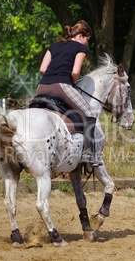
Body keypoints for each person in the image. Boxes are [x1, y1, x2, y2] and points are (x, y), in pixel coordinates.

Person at [37, 20, 102, 167]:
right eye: (87, 39)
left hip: (41, 87)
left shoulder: (54, 46)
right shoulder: (80, 48)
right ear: (80, 36)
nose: (86, 43)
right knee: (90, 112)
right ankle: (88, 153)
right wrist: (71, 82)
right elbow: (75, 71)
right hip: (61, 86)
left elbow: (42, 69)